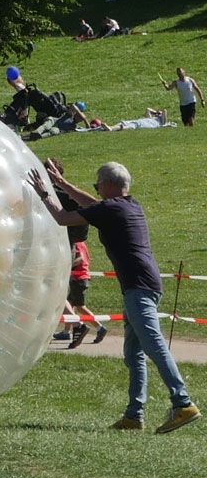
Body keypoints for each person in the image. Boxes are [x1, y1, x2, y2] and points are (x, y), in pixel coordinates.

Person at [30, 161, 198, 432]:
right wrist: (62, 183)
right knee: (134, 354)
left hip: (138, 286)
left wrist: (44, 193)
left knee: (154, 345)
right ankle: (134, 415)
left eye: (98, 184)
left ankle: (183, 402)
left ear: (108, 185)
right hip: (144, 284)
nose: (96, 189)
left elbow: (62, 218)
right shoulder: (129, 205)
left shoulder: (109, 209)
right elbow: (92, 205)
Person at [45, 159, 106, 348]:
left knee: (52, 290)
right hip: (66, 246)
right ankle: (75, 325)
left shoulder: (55, 196)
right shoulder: (68, 196)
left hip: (57, 248)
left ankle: (77, 324)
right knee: (54, 290)